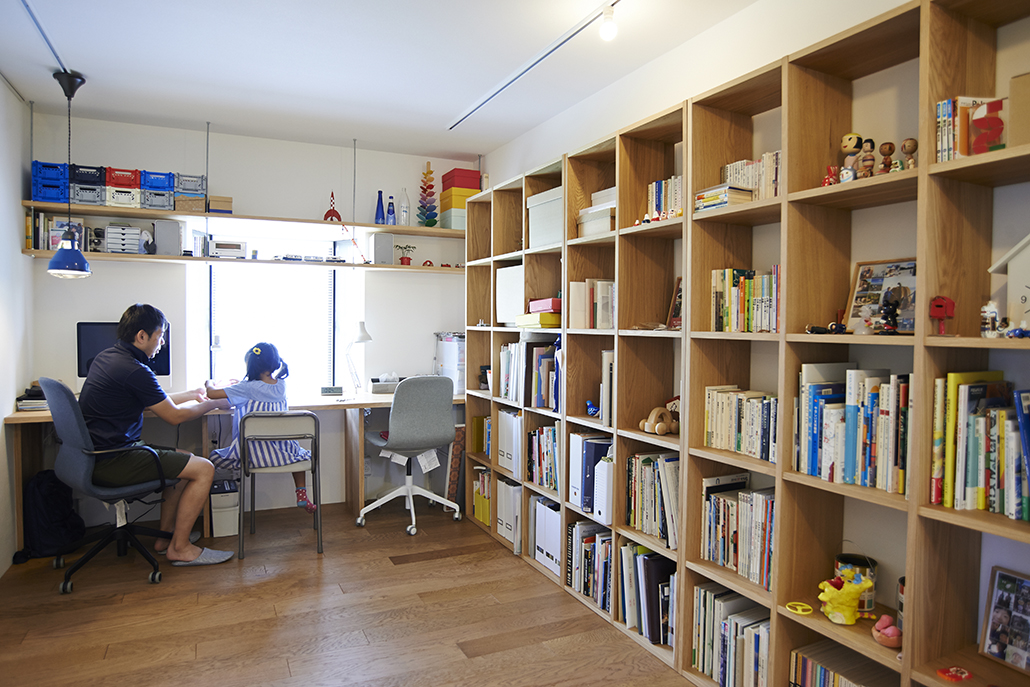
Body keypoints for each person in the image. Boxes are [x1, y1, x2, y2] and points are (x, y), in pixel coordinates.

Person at [78, 303, 234, 566]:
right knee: (204, 468)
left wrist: (194, 394)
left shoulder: (107, 357)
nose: (162, 343)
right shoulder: (135, 370)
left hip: (99, 456)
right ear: (142, 336)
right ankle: (181, 548)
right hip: (115, 460)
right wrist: (215, 403)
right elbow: (173, 416)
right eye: (160, 336)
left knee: (185, 461)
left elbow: (154, 401)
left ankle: (166, 538)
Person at [205, 342, 317, 514]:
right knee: (299, 453)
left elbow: (211, 394)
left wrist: (209, 382)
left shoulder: (246, 387)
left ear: (251, 365)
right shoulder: (282, 386)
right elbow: (262, 390)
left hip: (252, 457)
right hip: (284, 454)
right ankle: (301, 493)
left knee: (213, 457)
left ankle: (220, 506)